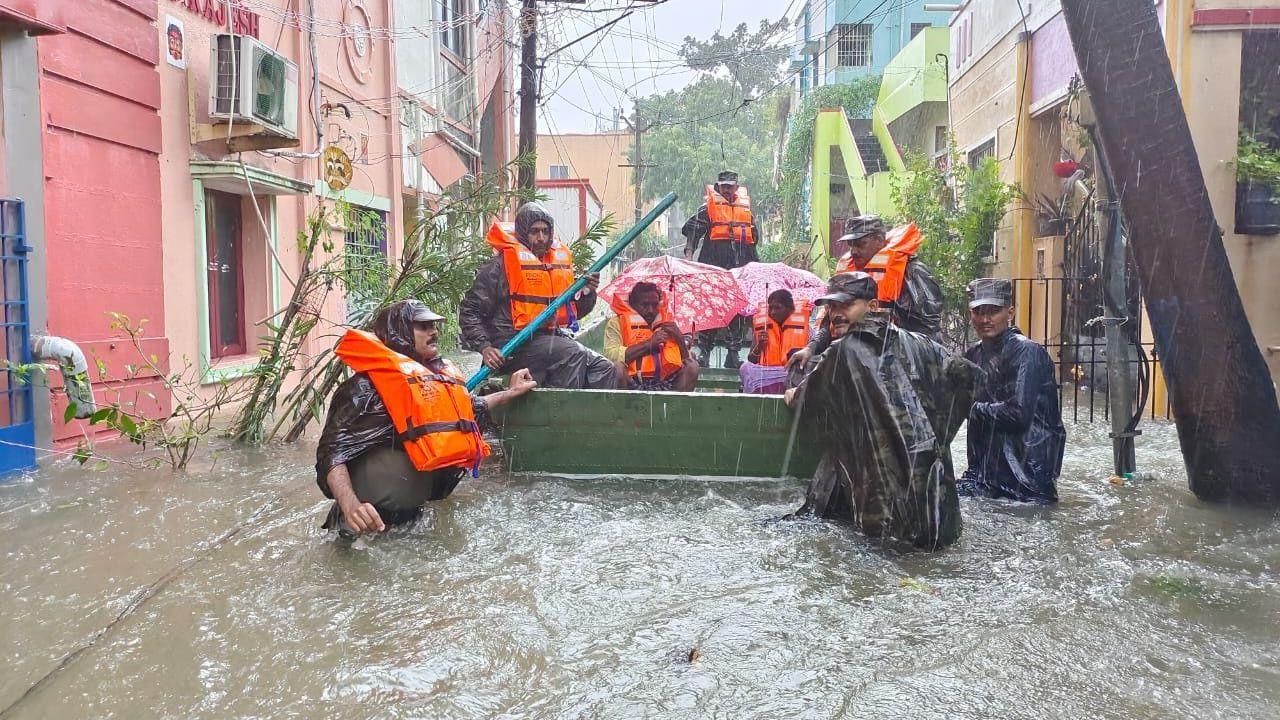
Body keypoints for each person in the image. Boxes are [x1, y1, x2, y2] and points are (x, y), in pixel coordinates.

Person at [785, 273, 978, 550]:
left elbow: (805, 400)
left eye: (846, 305)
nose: (836, 314)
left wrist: (791, 393)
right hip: (933, 500)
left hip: (884, 506)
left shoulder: (841, 352)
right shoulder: (921, 344)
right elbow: (967, 379)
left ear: (873, 306)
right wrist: (936, 436)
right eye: (831, 307)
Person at [315, 300, 537, 536]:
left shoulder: (432, 381)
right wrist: (350, 505)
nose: (433, 332)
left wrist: (509, 393)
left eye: (433, 325)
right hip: (363, 525)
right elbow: (332, 452)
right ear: (398, 332)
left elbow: (469, 410)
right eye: (423, 326)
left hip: (415, 519)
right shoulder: (363, 389)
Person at [460, 202, 625, 389]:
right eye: (534, 232)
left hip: (548, 338)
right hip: (512, 344)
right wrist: (485, 347)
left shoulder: (554, 265)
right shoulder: (499, 266)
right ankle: (561, 415)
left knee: (604, 368)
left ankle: (591, 417)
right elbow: (469, 311)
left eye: (545, 232)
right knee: (573, 353)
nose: (541, 238)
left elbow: (574, 313)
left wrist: (587, 292)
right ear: (522, 233)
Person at [958, 278, 1066, 503]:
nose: (985, 319)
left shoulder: (1028, 352)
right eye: (979, 311)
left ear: (1010, 312)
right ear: (971, 315)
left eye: (994, 311)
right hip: (984, 478)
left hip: (1027, 482)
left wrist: (968, 408)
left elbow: (1018, 414)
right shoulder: (973, 355)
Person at [681, 170, 761, 368]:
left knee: (739, 309)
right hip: (713, 267)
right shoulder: (708, 208)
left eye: (730, 186)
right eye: (723, 186)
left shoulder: (746, 212)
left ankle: (733, 353)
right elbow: (692, 232)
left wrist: (754, 266)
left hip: (740, 267)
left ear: (736, 187)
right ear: (718, 186)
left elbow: (754, 239)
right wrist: (689, 257)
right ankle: (704, 352)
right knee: (711, 308)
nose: (726, 189)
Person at [835, 215, 943, 337]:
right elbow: (831, 317)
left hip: (898, 349)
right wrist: (813, 347)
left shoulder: (912, 271)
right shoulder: (849, 274)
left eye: (861, 244)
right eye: (851, 245)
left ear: (880, 240)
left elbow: (928, 326)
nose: (853, 251)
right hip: (855, 347)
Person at [603, 281, 699, 391]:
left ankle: (675, 407)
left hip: (667, 382)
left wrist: (680, 340)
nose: (650, 310)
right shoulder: (616, 323)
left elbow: (686, 359)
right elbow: (610, 356)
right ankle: (625, 407)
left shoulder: (668, 322)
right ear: (633, 305)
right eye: (645, 305)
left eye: (655, 305)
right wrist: (649, 344)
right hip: (631, 382)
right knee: (617, 368)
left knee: (692, 366)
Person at [738, 289, 810, 394]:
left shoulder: (807, 330)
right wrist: (760, 346)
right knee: (745, 367)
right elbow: (751, 359)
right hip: (765, 376)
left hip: (792, 376)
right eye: (770, 308)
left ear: (790, 309)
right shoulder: (762, 328)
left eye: (778, 308)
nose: (773, 312)